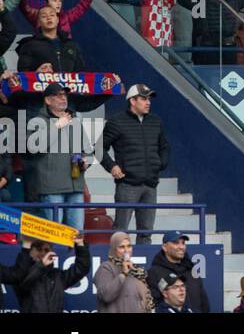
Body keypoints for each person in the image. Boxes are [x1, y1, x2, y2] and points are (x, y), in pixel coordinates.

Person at [96, 84, 169, 244]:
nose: (148, 102)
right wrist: (112, 166)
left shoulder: (155, 121)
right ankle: (116, 266)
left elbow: (164, 147)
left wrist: (160, 164)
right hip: (127, 184)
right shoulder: (117, 121)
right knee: (120, 232)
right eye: (143, 98)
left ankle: (142, 268)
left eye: (149, 98)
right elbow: (99, 147)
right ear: (132, 101)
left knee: (146, 233)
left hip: (150, 184)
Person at [21, 81, 93, 231]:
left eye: (64, 94)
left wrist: (87, 161)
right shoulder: (37, 122)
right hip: (52, 189)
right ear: (47, 100)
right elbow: (34, 147)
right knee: (54, 234)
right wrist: (56, 126)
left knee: (77, 234)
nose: (63, 98)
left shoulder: (75, 121)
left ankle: (76, 255)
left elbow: (88, 150)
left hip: (76, 186)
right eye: (58, 95)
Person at [0, 234, 90, 313]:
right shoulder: (21, 276)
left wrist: (80, 245)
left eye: (46, 250)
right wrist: (41, 265)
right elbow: (24, 285)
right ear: (30, 252)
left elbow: (81, 268)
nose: (43, 253)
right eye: (39, 249)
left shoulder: (57, 276)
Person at [146, 230, 210, 313]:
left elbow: (204, 302)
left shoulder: (191, 270)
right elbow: (154, 304)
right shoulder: (154, 272)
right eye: (176, 243)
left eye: (183, 243)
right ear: (165, 247)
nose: (181, 247)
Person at [95, 232, 153, 312]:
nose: (126, 250)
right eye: (122, 247)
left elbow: (146, 301)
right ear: (114, 249)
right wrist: (123, 274)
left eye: (129, 246)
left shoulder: (137, 271)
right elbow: (106, 296)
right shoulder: (106, 268)